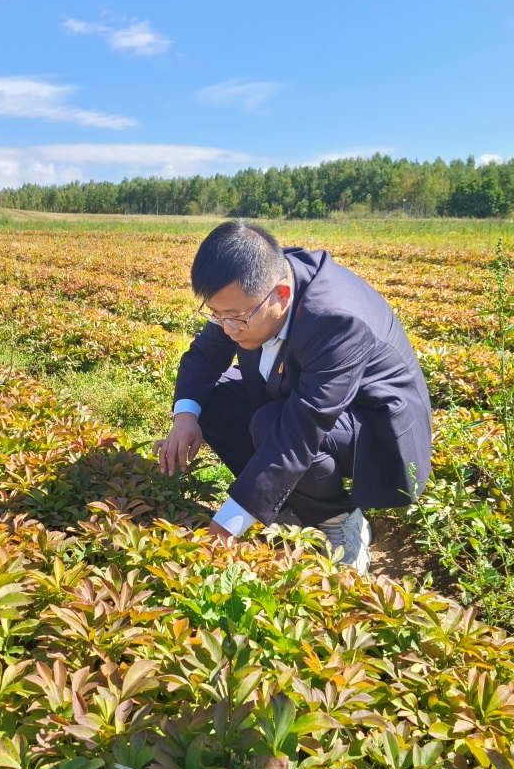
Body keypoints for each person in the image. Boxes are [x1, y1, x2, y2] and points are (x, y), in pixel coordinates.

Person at [154, 221, 432, 570]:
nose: (227, 328)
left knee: (273, 425)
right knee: (212, 398)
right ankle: (285, 503)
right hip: (301, 395)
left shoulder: (335, 319)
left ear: (282, 295)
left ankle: (340, 520)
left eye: (236, 318)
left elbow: (300, 431)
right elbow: (205, 357)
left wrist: (227, 527)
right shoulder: (251, 290)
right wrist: (185, 418)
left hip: (374, 423)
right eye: (217, 315)